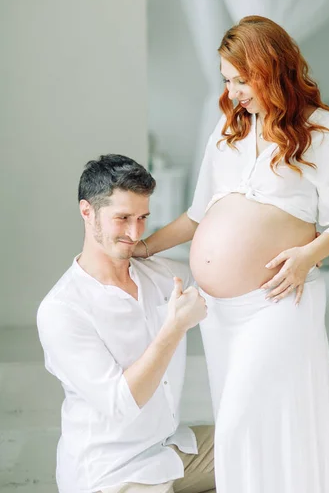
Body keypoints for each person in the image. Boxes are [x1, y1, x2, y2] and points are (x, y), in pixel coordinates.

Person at [133, 16, 329, 493]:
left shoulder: (325, 133)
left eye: (243, 79)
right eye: (227, 80)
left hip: (280, 301)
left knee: (243, 419)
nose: (235, 91)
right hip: (221, 312)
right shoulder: (229, 131)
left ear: (273, 69)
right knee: (246, 423)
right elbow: (196, 217)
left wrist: (306, 256)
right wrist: (142, 247)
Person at [37, 154, 215, 493]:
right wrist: (174, 327)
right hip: (112, 475)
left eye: (143, 218)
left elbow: (220, 260)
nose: (135, 233)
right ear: (87, 211)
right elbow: (121, 406)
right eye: (122, 218)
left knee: (259, 447)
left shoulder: (160, 275)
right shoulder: (62, 311)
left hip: (172, 449)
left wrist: (301, 258)